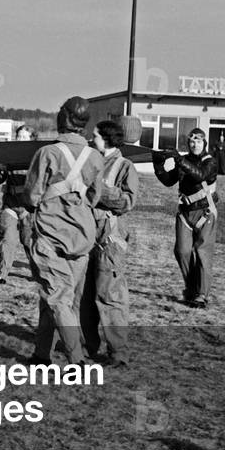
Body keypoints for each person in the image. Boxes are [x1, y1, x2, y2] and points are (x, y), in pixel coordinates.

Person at [23, 96, 105, 366]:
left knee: (56, 298)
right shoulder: (95, 156)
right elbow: (95, 197)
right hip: (82, 239)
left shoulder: (48, 153)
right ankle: (40, 354)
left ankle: (77, 361)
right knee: (60, 299)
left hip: (50, 236)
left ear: (65, 118)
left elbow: (32, 196)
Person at [81, 119, 139, 367]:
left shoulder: (125, 166)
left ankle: (118, 353)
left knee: (110, 296)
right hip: (85, 237)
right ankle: (87, 347)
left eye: (94, 136)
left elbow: (128, 201)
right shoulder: (89, 160)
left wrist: (99, 190)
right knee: (84, 296)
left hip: (110, 241)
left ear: (106, 139)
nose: (90, 139)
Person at [153, 127, 219, 309]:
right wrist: (157, 164)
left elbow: (200, 175)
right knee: (182, 251)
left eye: (198, 140)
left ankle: (201, 295)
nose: (194, 144)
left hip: (205, 212)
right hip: (185, 213)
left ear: (204, 143)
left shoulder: (210, 162)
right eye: (191, 140)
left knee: (203, 254)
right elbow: (169, 180)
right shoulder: (184, 161)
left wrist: (179, 159)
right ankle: (191, 290)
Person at [0, 124, 37, 285]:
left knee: (30, 242)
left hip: (29, 207)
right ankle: (1, 275)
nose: (20, 140)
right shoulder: (8, 155)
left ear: (31, 139)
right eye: (18, 136)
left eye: (24, 137)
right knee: (7, 239)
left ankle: (37, 274)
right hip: (10, 204)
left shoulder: (37, 156)